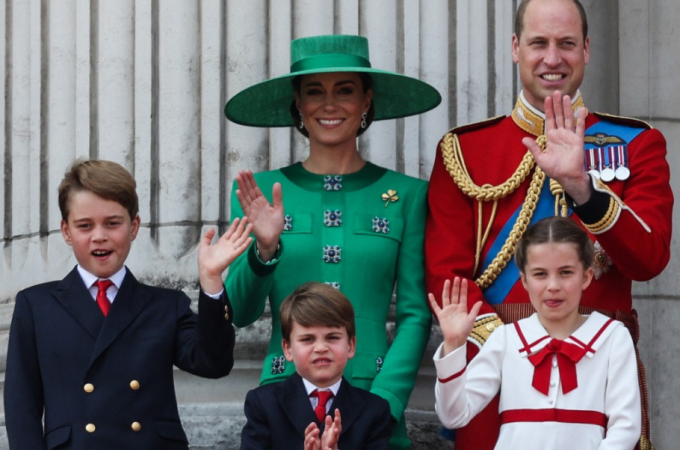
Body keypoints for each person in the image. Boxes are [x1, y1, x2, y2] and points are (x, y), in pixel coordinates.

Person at [426, 0, 670, 450]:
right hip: (494, 367)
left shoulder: (636, 142)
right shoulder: (465, 149)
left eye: (566, 43)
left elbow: (650, 258)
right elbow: (446, 274)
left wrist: (585, 190)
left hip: (600, 362)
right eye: (539, 43)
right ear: (516, 48)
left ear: (587, 49)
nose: (552, 58)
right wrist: (515, 347)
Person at [224, 34, 441, 450]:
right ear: (298, 105)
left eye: (345, 90)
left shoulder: (408, 194)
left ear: (366, 101)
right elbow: (240, 313)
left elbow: (415, 314)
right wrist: (264, 251)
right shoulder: (260, 191)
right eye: (314, 92)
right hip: (284, 403)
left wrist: (384, 403)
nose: (329, 104)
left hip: (376, 401)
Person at [4, 159, 252, 450]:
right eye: (85, 226)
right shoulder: (36, 305)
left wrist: (211, 279)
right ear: (66, 231)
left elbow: (213, 363)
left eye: (112, 223)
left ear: (134, 226)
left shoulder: (165, 305)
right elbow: (22, 407)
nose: (100, 236)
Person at [431, 217, 641, 450]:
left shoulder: (612, 337)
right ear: (524, 280)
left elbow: (625, 427)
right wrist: (453, 344)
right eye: (540, 274)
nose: (553, 285)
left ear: (586, 277)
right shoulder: (506, 338)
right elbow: (454, 416)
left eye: (565, 272)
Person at [240, 282, 393, 450]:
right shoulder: (264, 404)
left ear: (351, 345)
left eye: (332, 337)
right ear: (287, 349)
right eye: (307, 339)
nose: (321, 348)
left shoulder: (374, 410)